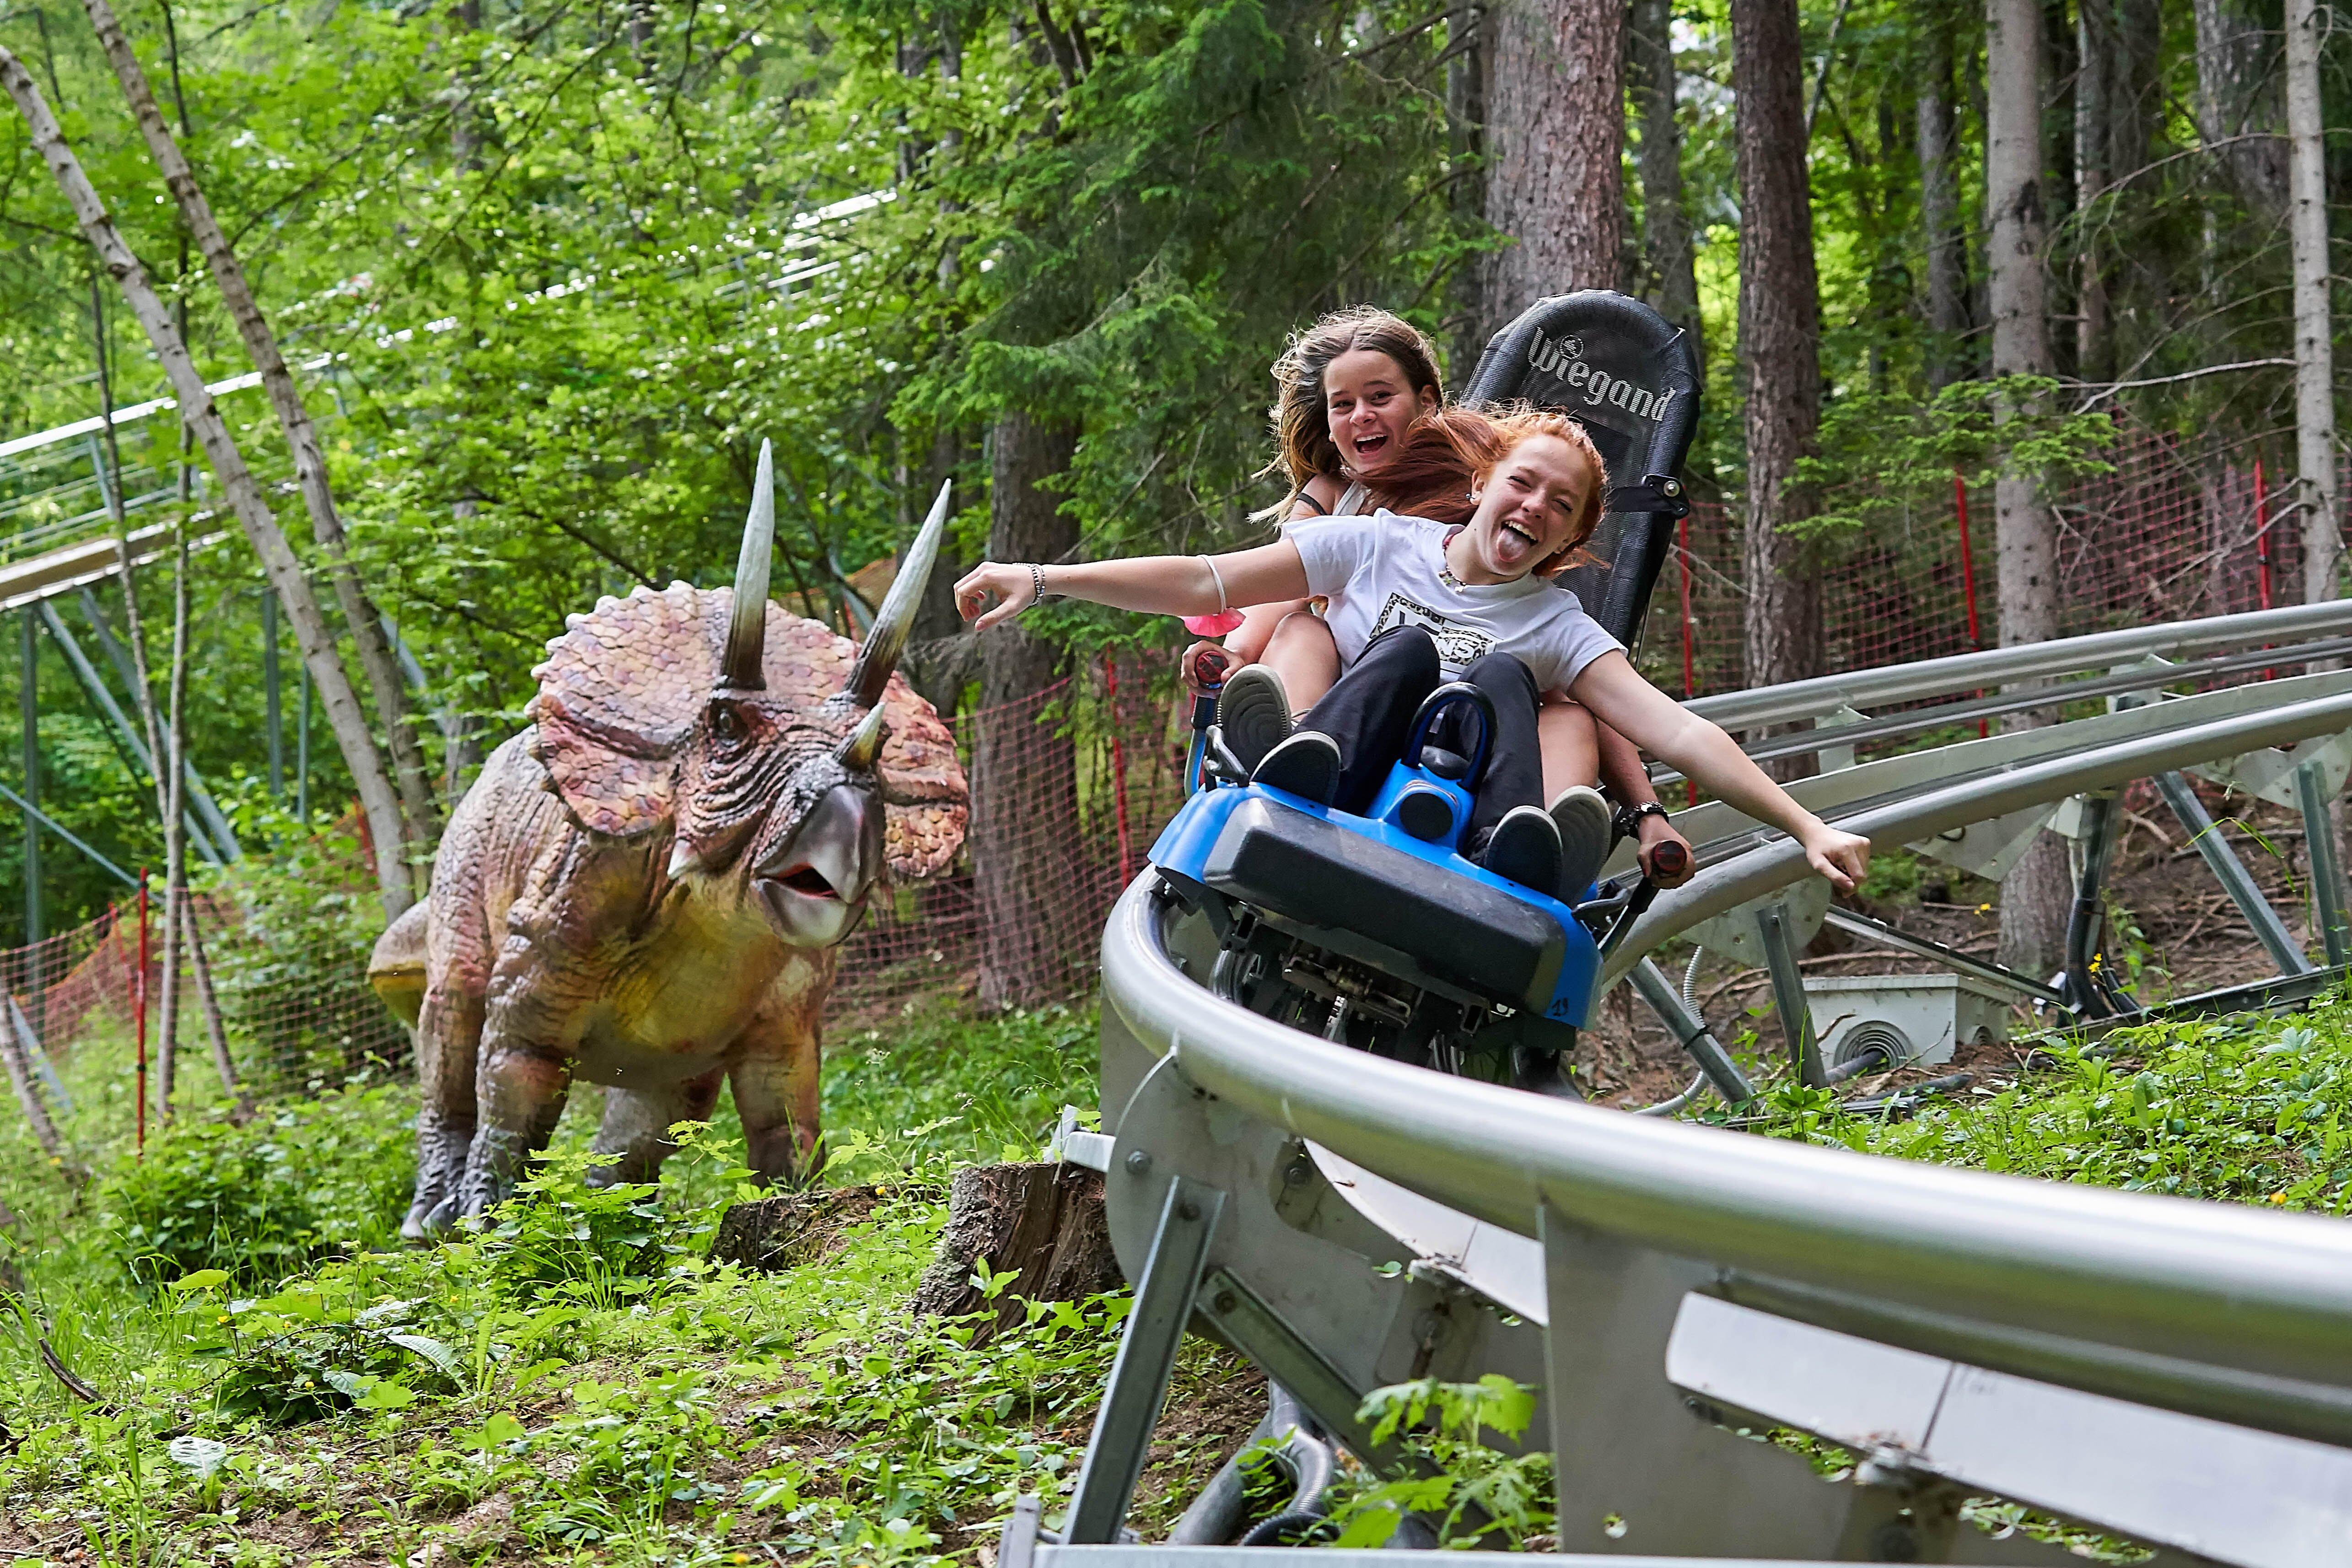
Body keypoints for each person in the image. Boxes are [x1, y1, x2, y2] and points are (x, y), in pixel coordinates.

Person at [956, 408, 1870, 901]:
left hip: (1459, 809)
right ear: (1483, 484)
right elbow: (1205, 582)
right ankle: (1302, 764)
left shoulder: (1554, 623)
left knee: (1506, 676)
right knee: (1395, 648)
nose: (1533, 509)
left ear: (1571, 533)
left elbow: (1676, 730)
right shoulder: (1377, 543)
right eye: (1523, 484)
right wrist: (1043, 577)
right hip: (1348, 778)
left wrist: (1805, 826)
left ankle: (1519, 849)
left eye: (1559, 506)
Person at [1189, 306, 1692, 895]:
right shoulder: (1337, 502)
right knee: (1303, 630)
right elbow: (1272, 600)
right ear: (1327, 421)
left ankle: (1537, 841)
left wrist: (1644, 811)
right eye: (1343, 405)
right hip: (1358, 704)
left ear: (1425, 405)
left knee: (1566, 710)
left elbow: (1579, 670)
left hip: (1464, 720)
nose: (1362, 417)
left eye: (1380, 397)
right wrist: (1229, 657)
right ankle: (1295, 752)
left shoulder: (1488, 517)